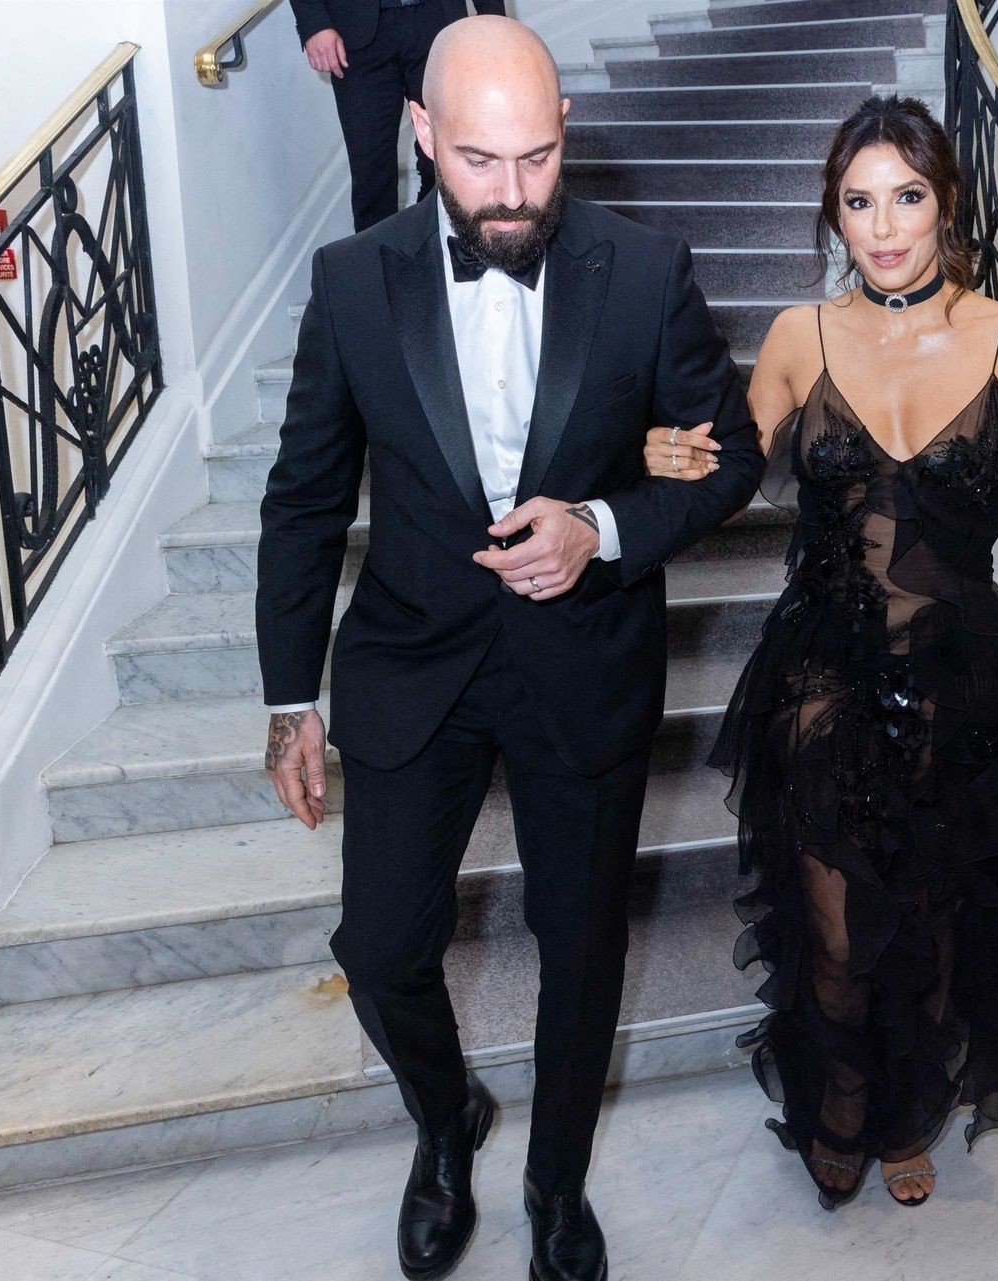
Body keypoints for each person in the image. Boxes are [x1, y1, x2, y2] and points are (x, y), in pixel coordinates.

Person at [255, 16, 762, 1280]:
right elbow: (305, 499)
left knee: (582, 952)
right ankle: (446, 1122)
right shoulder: (352, 280)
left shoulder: (642, 270)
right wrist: (287, 697)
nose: (515, 193)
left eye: (539, 158)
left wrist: (602, 527)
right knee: (380, 949)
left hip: (583, 662)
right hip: (411, 661)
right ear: (422, 133)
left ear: (565, 132)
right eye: (481, 161)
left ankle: (555, 1187)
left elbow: (731, 458)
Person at [646, 95, 998, 1210]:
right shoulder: (799, 337)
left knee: (931, 922)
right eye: (858, 201)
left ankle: (909, 1111)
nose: (883, 227)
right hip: (818, 676)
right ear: (833, 213)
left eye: (907, 197)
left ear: (946, 202)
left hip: (955, 683)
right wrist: (671, 456)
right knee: (836, 932)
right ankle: (844, 1100)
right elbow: (729, 465)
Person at [293, 0, 507, 232]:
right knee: (370, 172)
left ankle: (435, 240)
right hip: (356, 35)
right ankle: (378, 254)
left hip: (437, 20)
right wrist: (313, 23)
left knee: (445, 158)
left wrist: (494, 20)